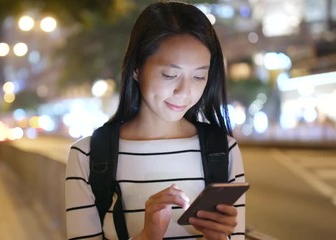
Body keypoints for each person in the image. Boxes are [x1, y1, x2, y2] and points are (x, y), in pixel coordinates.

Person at [65, 1, 246, 239]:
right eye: (170, 75)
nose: (184, 92)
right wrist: (148, 235)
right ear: (136, 69)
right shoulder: (89, 156)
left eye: (199, 76)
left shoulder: (223, 150)